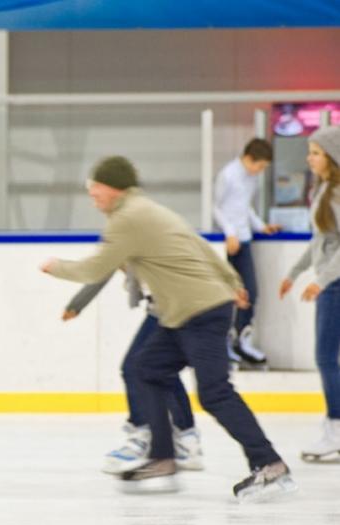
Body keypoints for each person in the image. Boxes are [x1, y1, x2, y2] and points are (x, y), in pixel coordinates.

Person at [42, 156, 297, 503]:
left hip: (200, 310)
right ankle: (163, 456)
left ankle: (269, 463)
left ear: (113, 187)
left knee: (215, 393)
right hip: (184, 311)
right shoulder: (147, 209)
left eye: (95, 189)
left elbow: (96, 268)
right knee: (145, 369)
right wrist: (231, 280)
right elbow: (200, 246)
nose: (93, 197)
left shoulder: (128, 219)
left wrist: (55, 266)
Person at [63, 268, 202, 474]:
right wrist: (77, 304)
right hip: (165, 306)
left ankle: (145, 434)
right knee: (159, 370)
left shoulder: (134, 236)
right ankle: (185, 439)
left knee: (135, 368)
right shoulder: (129, 237)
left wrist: (76, 301)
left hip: (176, 305)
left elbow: (98, 266)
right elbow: (105, 267)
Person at [280, 126, 340, 462]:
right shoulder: (324, 190)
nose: (309, 157)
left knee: (325, 358)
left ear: (331, 157)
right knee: (328, 358)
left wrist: (323, 280)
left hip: (336, 284)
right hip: (330, 282)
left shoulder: (336, 194)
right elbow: (319, 242)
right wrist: (294, 273)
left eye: (316, 152)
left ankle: (335, 428)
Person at [214, 138, 280, 366]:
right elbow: (216, 207)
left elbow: (244, 206)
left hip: (243, 240)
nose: (260, 171)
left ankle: (241, 338)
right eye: (260, 166)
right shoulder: (228, 175)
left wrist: (261, 226)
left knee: (250, 290)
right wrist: (229, 233)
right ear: (250, 159)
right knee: (227, 294)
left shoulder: (251, 178)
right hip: (228, 242)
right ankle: (224, 342)